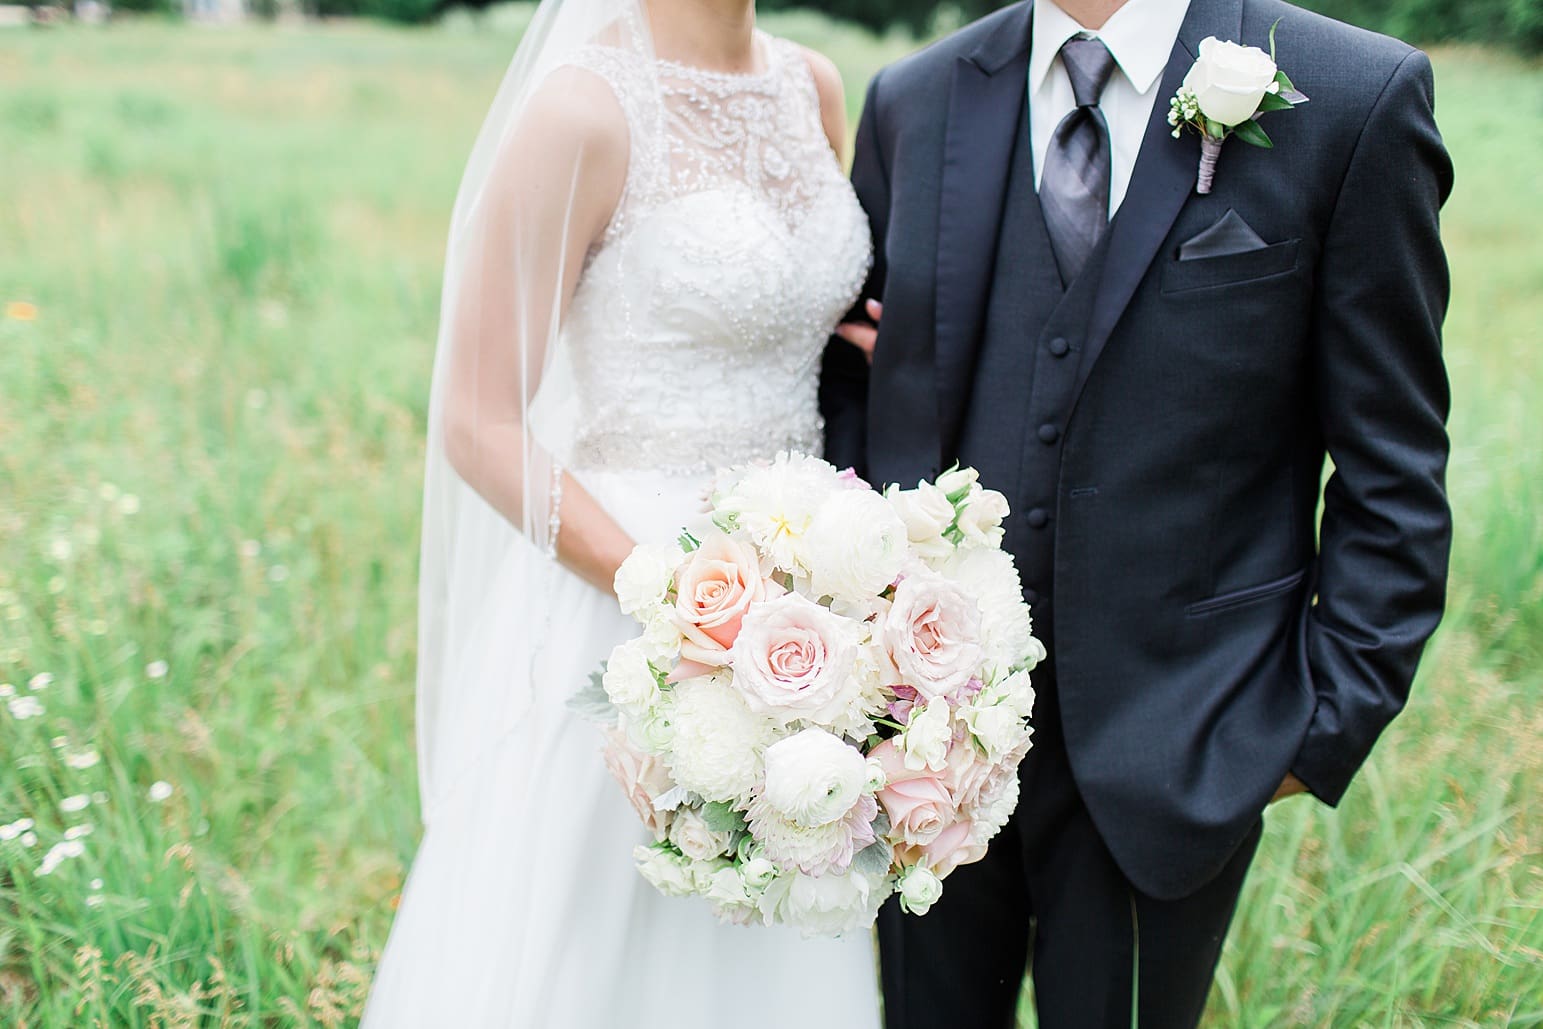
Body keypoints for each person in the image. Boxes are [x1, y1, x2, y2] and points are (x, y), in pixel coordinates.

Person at [822, 0, 1452, 1024]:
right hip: (917, 744)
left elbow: (1393, 460)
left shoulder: (1349, 94)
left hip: (1180, 734)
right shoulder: (915, 97)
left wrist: (1320, 724)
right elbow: (856, 386)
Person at [361, 0, 880, 1024]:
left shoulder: (813, 85)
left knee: (776, 925)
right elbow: (476, 420)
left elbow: (788, 309)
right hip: (628, 597)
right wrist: (677, 599)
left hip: (811, 598)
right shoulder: (581, 113)